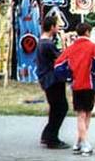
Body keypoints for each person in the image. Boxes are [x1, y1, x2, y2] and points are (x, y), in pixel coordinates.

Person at [54, 23, 95, 156]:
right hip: (89, 85)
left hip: (76, 85)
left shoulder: (71, 48)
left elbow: (58, 65)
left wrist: (68, 76)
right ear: (88, 32)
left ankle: (79, 142)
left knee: (81, 114)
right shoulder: (92, 47)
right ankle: (84, 144)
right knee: (86, 115)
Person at [36, 16, 70, 149]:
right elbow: (62, 58)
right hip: (53, 81)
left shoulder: (42, 42)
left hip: (47, 79)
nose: (58, 28)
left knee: (55, 108)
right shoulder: (47, 44)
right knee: (61, 108)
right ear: (51, 27)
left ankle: (47, 135)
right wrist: (63, 40)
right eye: (56, 26)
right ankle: (52, 138)